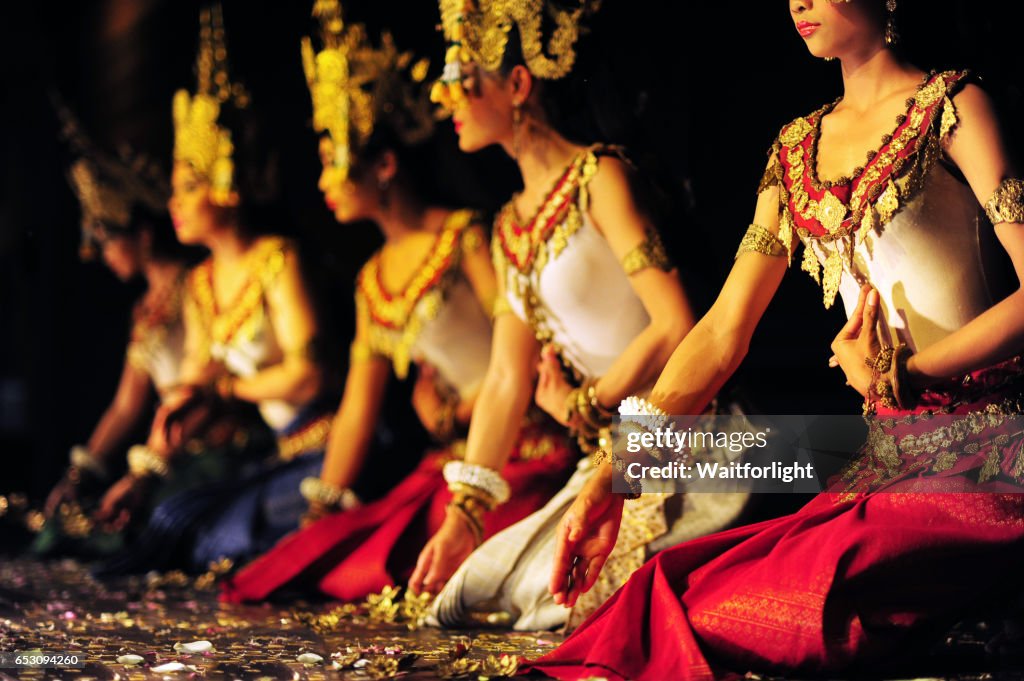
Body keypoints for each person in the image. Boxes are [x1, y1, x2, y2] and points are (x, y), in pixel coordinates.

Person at [532, 0, 1024, 678]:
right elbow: (722, 331)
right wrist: (620, 472)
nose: (799, 2)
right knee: (664, 591)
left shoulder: (954, 105)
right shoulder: (796, 149)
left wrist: (906, 372)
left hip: (988, 460)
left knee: (737, 612)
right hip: (881, 464)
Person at [221, 0, 576, 603]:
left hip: (524, 440)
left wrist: (460, 410)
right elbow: (360, 405)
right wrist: (326, 502)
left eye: (335, 161)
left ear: (385, 163)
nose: (324, 181)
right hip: (452, 458)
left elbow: (520, 351)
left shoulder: (465, 235)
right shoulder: (370, 281)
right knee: (323, 561)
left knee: (399, 564)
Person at [416, 0, 749, 633]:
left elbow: (676, 323)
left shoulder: (601, 178)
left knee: (543, 609)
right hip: (605, 455)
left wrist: (590, 400)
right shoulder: (509, 226)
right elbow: (507, 379)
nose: (444, 99)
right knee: (465, 597)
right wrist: (468, 509)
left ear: (517, 85)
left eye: (461, 81)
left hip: (688, 441)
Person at [97, 5, 333, 574]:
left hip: (325, 442)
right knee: (174, 520)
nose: (174, 204)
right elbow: (194, 383)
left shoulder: (277, 260)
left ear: (225, 185)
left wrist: (227, 388)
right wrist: (144, 468)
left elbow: (308, 377)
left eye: (188, 186)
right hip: (279, 451)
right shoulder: (200, 282)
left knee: (213, 538)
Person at [35, 117, 199, 555]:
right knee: (65, 530)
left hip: (204, 444)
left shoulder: (198, 285)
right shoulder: (143, 309)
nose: (98, 254)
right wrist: (80, 472)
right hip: (166, 452)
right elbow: (127, 404)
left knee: (143, 531)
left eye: (106, 239)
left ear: (144, 236)